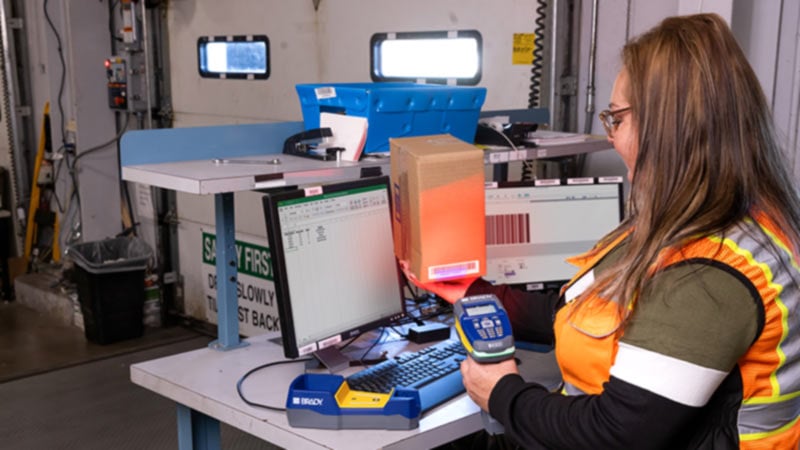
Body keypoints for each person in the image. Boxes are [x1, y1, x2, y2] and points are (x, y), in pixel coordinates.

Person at [412, 13, 800, 449]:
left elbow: (614, 435)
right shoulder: (696, 223)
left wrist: (502, 393)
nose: (612, 138)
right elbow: (580, 315)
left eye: (617, 118)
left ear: (667, 128)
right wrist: (474, 293)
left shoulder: (709, 277)